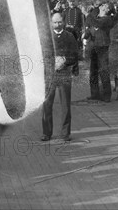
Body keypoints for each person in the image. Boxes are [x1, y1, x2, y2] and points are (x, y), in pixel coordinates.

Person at [41, 12, 80, 142]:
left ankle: (65, 133)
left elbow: (75, 55)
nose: (57, 24)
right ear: (51, 23)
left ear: (63, 22)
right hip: (49, 74)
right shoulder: (46, 37)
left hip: (64, 73)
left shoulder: (69, 36)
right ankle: (46, 133)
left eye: (59, 22)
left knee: (65, 105)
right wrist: (52, 62)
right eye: (55, 22)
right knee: (47, 104)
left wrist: (64, 61)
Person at [84, 1, 114, 102]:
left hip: (103, 48)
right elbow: (90, 28)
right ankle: (94, 94)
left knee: (104, 71)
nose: (102, 6)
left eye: (105, 6)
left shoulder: (108, 19)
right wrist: (86, 35)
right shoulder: (96, 18)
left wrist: (88, 14)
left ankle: (106, 95)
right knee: (93, 72)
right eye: (102, 5)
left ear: (108, 9)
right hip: (94, 47)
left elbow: (96, 24)